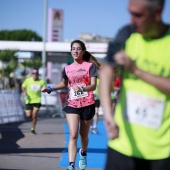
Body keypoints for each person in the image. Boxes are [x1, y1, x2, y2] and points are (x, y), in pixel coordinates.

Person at [100, 0, 170, 170]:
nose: (132, 20)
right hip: (122, 144)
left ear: (157, 12)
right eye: (130, 13)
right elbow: (106, 69)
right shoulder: (127, 33)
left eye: (138, 15)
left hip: (162, 151)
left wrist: (136, 70)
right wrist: (108, 113)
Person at [41, 40, 100, 170]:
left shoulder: (90, 66)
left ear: (83, 51)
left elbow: (94, 85)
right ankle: (71, 165)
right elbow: (63, 83)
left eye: (78, 49)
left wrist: (83, 89)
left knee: (83, 135)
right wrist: (50, 88)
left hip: (87, 103)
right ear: (71, 50)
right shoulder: (67, 68)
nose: (75, 51)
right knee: (73, 134)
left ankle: (83, 153)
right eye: (73, 48)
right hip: (72, 104)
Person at [21, 68, 46, 135]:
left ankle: (33, 129)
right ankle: (31, 121)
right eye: (33, 73)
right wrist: (24, 92)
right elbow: (23, 86)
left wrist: (43, 89)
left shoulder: (41, 81)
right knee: (28, 115)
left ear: (38, 74)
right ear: (31, 74)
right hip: (29, 101)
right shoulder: (28, 80)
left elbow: (44, 87)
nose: (35, 75)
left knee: (34, 115)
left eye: (36, 73)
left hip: (37, 100)